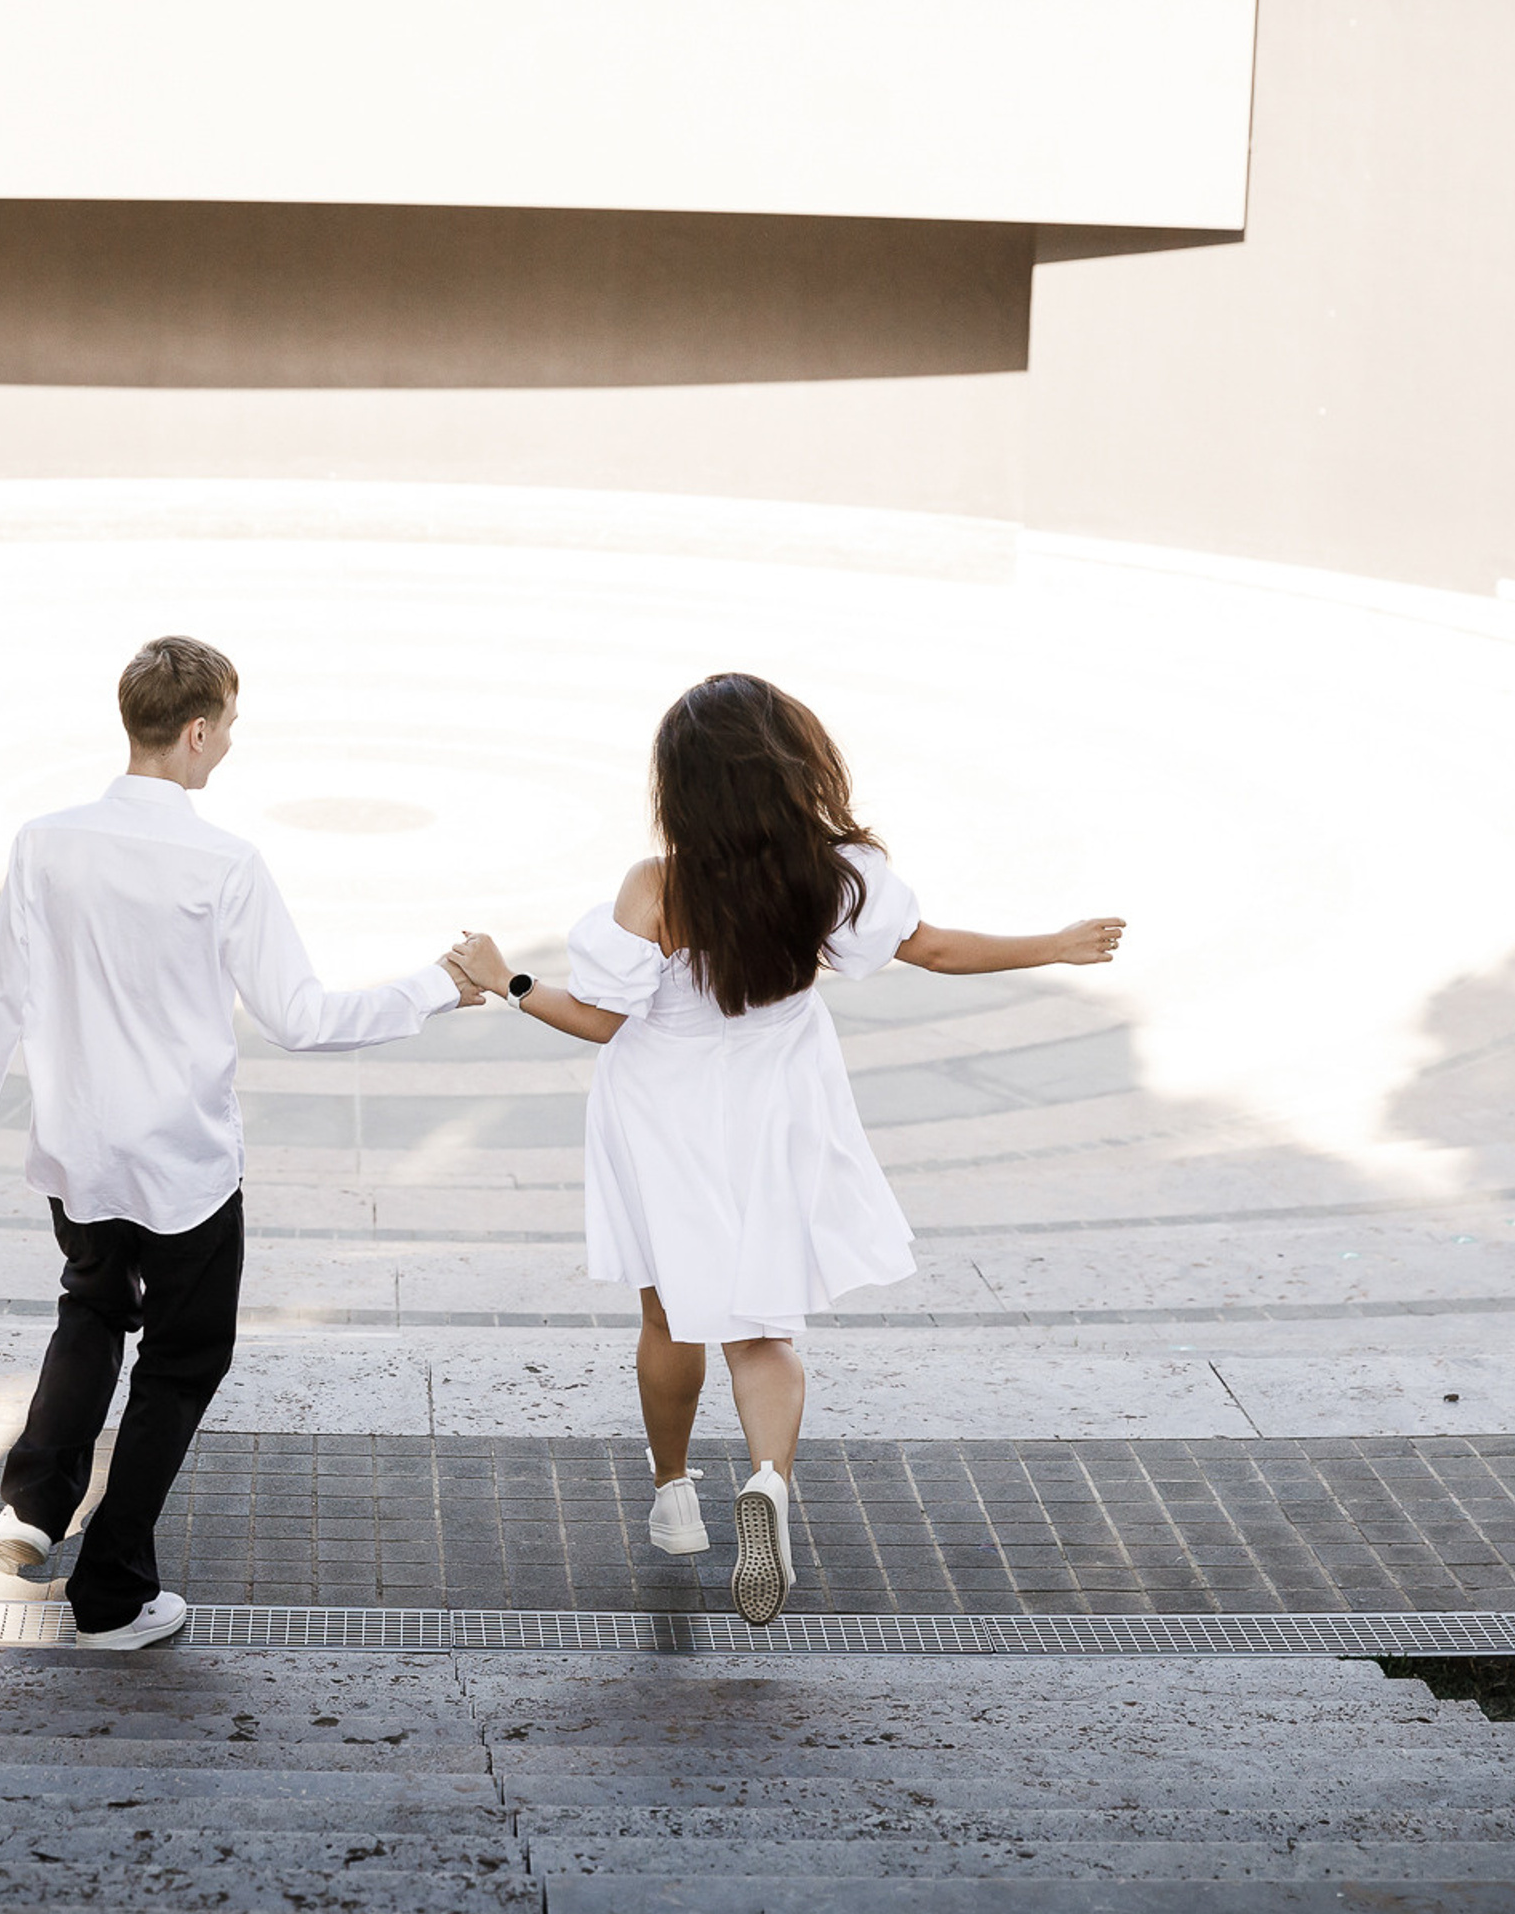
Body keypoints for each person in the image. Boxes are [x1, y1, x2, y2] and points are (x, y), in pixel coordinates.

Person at [448, 672, 1122, 1626]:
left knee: (668, 1313)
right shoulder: (832, 875)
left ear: (682, 786)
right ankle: (768, 1480)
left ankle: (675, 1498)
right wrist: (1054, 944)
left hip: (664, 1113)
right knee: (761, 1326)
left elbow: (599, 1019)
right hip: (776, 1106)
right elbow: (935, 950)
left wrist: (506, 980)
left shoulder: (658, 886)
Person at [0, 634, 480, 1648]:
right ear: (194, 731)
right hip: (182, 1162)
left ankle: (34, 1507)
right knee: (181, 1363)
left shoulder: (45, 842)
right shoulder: (224, 862)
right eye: (225, 725)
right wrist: (438, 986)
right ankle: (112, 1594)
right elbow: (301, 1017)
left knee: (92, 1307)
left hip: (76, 1149)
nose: (227, 741)